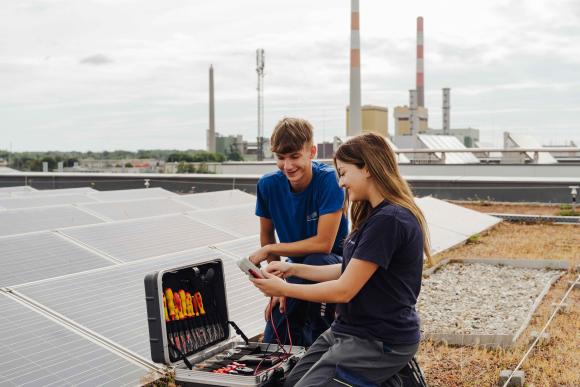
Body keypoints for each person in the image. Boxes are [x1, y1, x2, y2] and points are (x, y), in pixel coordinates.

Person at [251, 132, 431, 386]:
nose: (341, 183)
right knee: (290, 382)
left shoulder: (390, 220)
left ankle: (391, 376)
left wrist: (284, 289)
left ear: (366, 169)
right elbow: (345, 270)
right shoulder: (374, 216)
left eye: (344, 173)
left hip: (380, 339)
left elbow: (344, 290)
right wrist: (292, 270)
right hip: (349, 330)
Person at [249, 117, 349, 347]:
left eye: (294, 156)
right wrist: (276, 283)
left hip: (332, 265)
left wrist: (271, 250)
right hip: (292, 269)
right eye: (280, 158)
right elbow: (266, 234)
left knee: (316, 261)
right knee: (278, 325)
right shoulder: (267, 185)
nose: (288, 166)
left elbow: (323, 244)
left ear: (311, 152)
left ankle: (323, 350)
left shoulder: (330, 181)